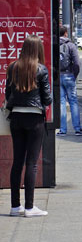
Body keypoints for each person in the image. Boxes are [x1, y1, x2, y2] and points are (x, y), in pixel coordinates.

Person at [5, 35, 52, 217]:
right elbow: (47, 98)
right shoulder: (41, 70)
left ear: (24, 49)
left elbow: (8, 95)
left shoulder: (12, 68)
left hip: (16, 118)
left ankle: (15, 206)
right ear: (38, 50)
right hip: (34, 120)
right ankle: (30, 207)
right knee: (31, 163)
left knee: (17, 162)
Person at [57, 26, 82, 136]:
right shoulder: (71, 45)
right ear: (66, 33)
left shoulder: (55, 45)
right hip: (69, 76)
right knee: (73, 102)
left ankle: (63, 130)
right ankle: (77, 129)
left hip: (59, 76)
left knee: (62, 103)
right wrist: (74, 75)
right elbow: (77, 63)